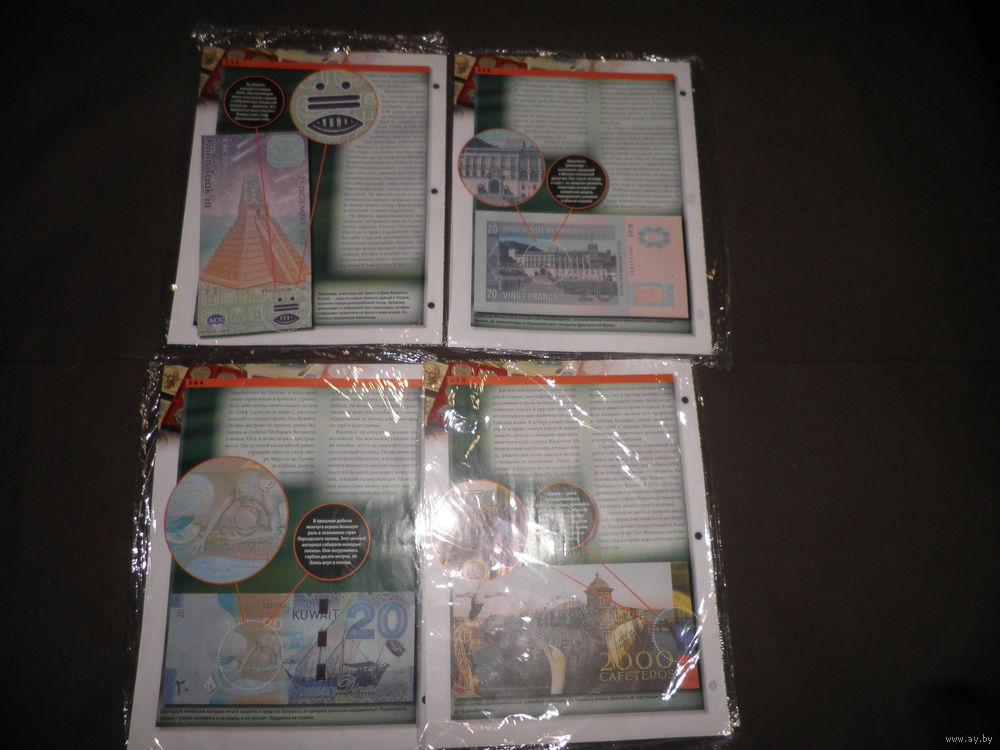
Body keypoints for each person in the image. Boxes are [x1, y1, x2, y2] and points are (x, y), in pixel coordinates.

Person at [191, 465, 284, 555]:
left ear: (254, 489)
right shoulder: (240, 488)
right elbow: (218, 513)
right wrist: (203, 538)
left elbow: (274, 532)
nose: (237, 496)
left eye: (241, 492)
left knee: (277, 538)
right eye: (237, 491)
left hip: (286, 503)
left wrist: (241, 540)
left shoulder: (269, 499)